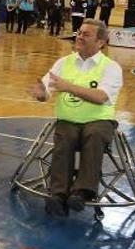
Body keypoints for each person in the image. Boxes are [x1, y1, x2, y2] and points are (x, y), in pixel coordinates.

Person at [27, 20, 122, 217]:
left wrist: (68, 86)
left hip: (99, 121)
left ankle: (82, 192)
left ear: (101, 42)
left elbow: (101, 97)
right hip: (69, 120)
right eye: (79, 32)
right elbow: (47, 91)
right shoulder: (63, 63)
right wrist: (41, 94)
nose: (79, 36)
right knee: (65, 137)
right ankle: (58, 194)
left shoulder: (111, 67)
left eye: (86, 34)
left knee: (94, 135)